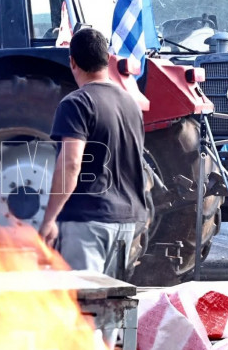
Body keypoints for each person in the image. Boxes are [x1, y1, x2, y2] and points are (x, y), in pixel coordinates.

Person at [38, 28, 148, 277]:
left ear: (72, 61)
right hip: (127, 222)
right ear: (108, 59)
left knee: (84, 309)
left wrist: (49, 220)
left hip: (87, 223)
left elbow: (70, 164)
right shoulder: (131, 104)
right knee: (111, 309)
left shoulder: (76, 103)